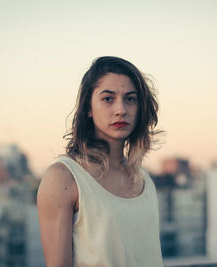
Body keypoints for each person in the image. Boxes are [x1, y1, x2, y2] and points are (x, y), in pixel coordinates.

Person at [37, 56, 163, 267]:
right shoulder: (63, 178)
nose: (121, 109)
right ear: (88, 108)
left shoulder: (144, 179)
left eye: (130, 99)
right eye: (108, 99)